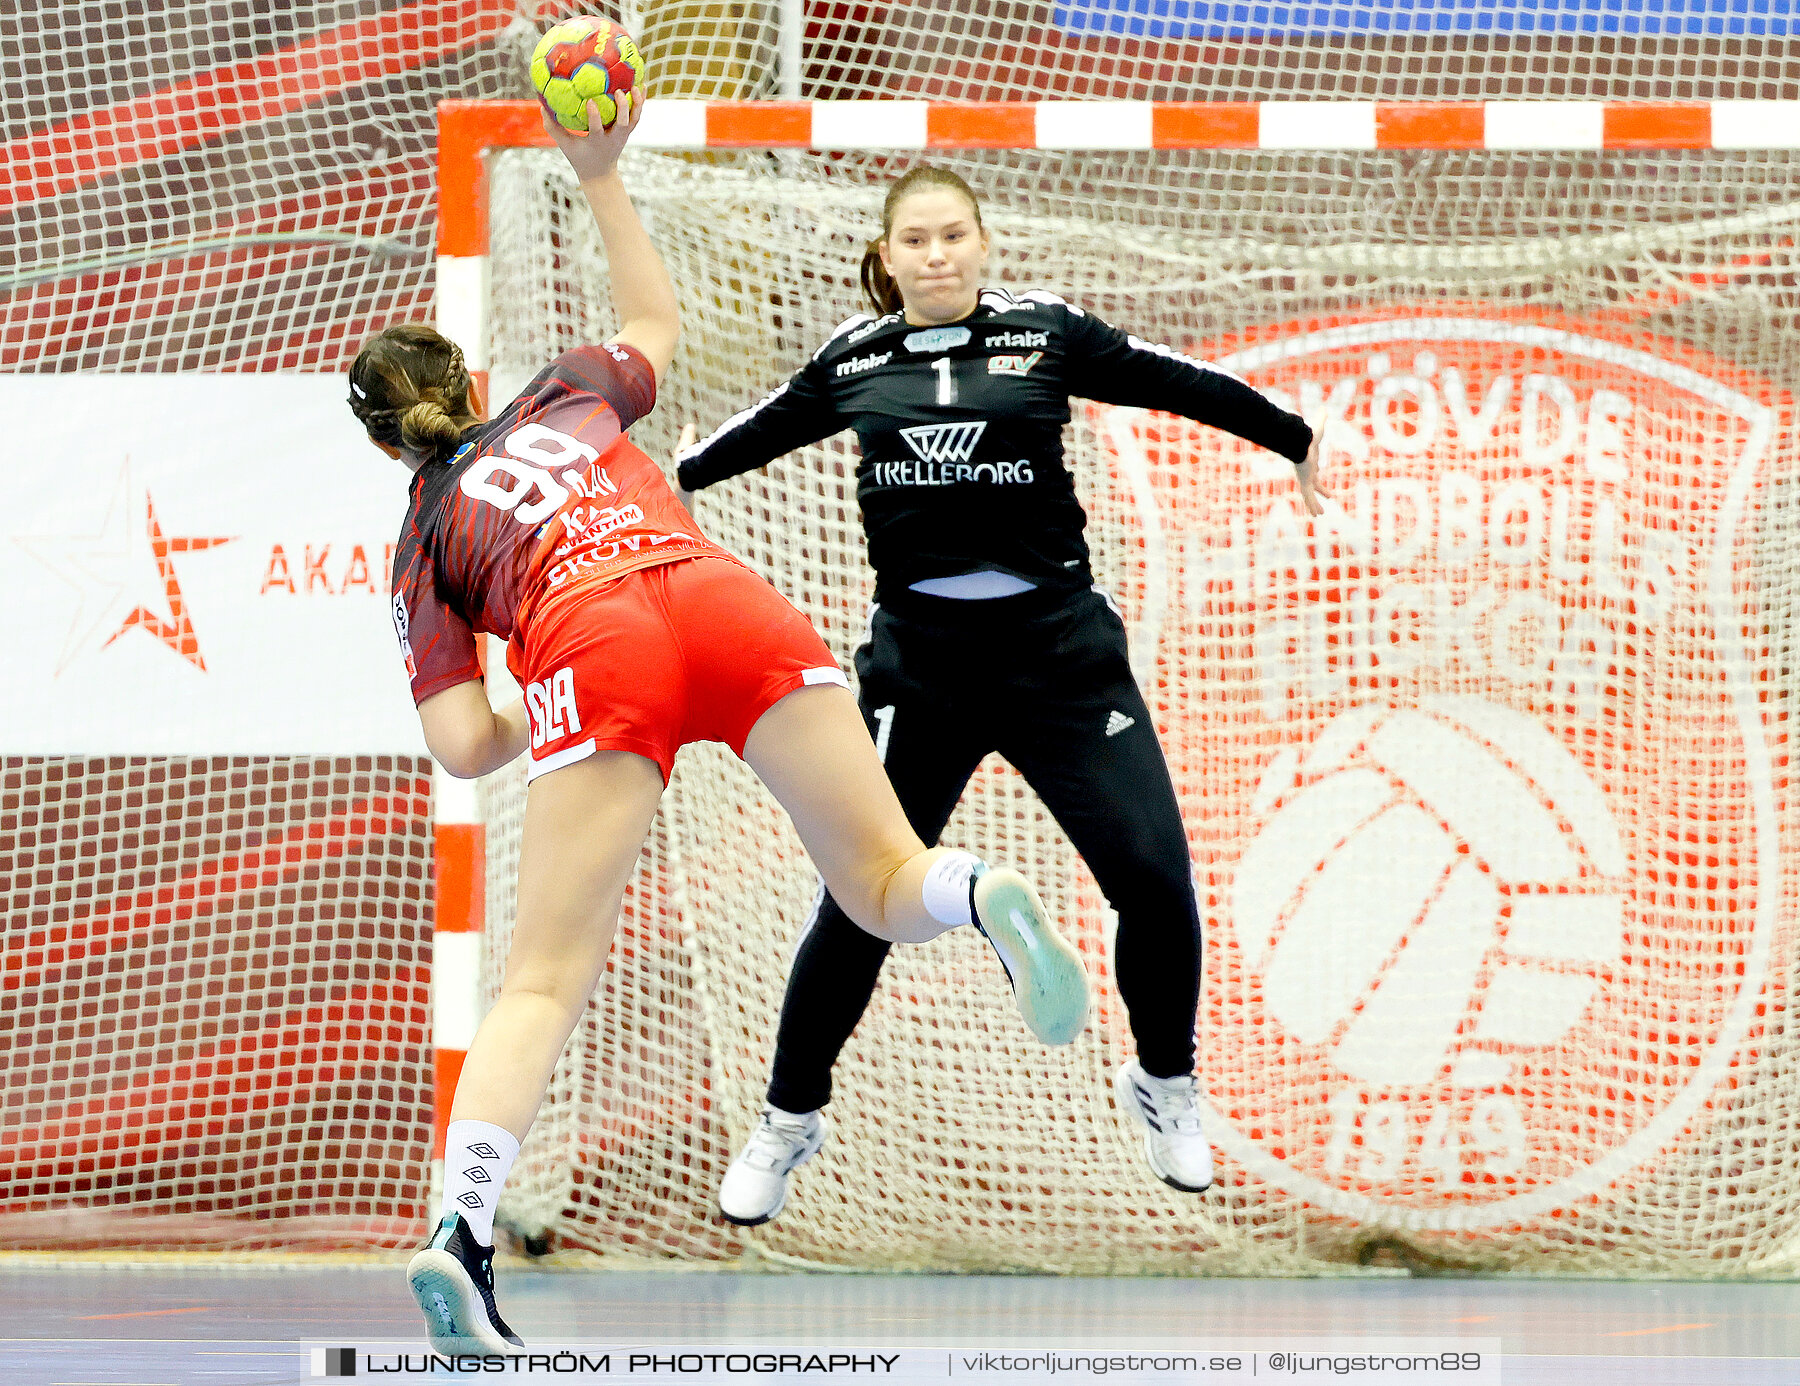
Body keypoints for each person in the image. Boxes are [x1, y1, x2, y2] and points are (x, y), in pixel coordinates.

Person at [358, 106, 1088, 1356]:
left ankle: (459, 1235)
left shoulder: (425, 541)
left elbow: (464, 744)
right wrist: (597, 170)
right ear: (471, 386)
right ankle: (977, 889)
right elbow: (655, 323)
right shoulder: (560, 396)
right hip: (719, 594)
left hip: (592, 645)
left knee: (539, 981)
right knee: (879, 881)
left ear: (386, 442)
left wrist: (549, 685)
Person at [677, 164, 1330, 1224]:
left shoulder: (1048, 334)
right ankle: (789, 1117)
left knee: (1156, 883)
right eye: (916, 242)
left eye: (954, 238)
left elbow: (1180, 382)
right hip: (919, 669)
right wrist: (656, 487)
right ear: (888, 260)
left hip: (1060, 659)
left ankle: (1166, 1084)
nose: (937, 257)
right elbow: (721, 450)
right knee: (857, 903)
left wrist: (1292, 437)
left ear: (983, 247)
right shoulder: (853, 360)